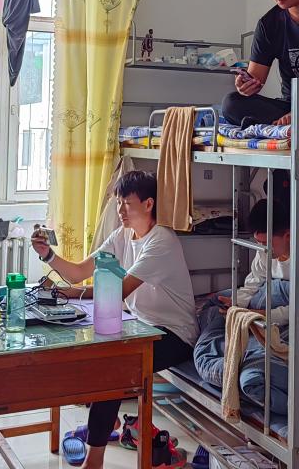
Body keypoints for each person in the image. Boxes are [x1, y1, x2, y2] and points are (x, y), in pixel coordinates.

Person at [31, 170, 195, 469]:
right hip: (139, 325)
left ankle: (95, 459)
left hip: (173, 334)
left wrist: (68, 293)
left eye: (127, 203)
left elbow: (117, 291)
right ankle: (109, 422)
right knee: (88, 351)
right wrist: (48, 256)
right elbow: (79, 272)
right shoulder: (122, 235)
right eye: (118, 202)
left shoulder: (161, 241)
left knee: (113, 369)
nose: (120, 210)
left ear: (148, 204)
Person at [227, 196, 299, 326]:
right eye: (258, 242)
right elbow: (252, 284)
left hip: (295, 308)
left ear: (287, 235)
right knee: (216, 304)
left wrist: (261, 315)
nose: (262, 248)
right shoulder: (263, 250)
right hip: (269, 302)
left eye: (266, 243)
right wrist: (235, 304)